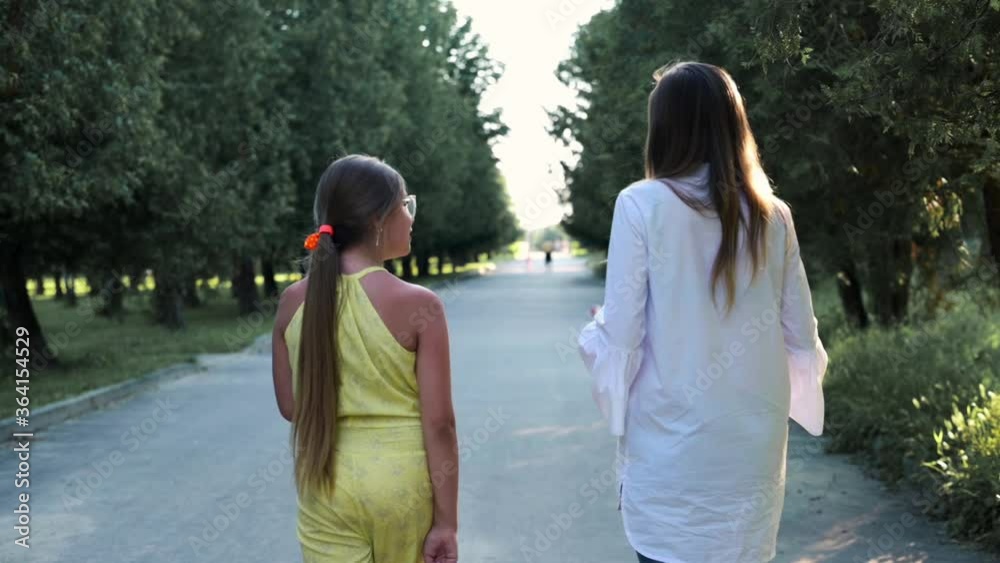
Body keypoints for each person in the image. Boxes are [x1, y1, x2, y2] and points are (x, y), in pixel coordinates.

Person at [577, 61, 829, 562]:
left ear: (664, 129)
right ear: (733, 125)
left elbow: (621, 340)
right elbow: (802, 339)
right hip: (751, 457)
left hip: (672, 456)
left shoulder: (639, 204)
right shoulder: (775, 215)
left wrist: (597, 324)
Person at [270, 154, 459, 563]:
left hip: (324, 482)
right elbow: (440, 423)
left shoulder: (292, 302)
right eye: (405, 205)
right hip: (402, 485)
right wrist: (446, 523)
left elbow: (291, 407)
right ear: (378, 220)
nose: (411, 217)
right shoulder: (420, 305)